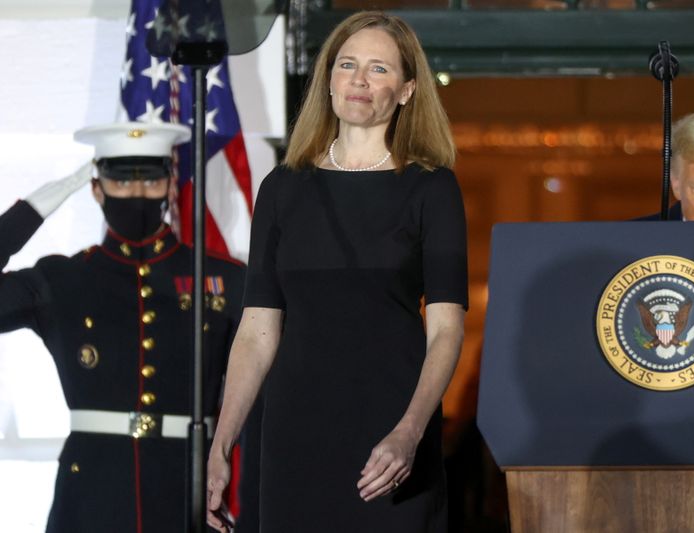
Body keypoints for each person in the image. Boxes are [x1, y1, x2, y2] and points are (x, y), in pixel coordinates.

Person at [206, 10, 468, 533]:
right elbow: (257, 331)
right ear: (328, 80)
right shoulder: (282, 189)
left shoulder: (431, 189)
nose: (359, 80)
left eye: (379, 69)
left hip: (390, 440)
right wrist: (221, 444)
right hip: (292, 436)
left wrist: (411, 431)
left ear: (408, 89)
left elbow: (446, 330)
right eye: (347, 64)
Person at [0, 122, 245, 532]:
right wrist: (34, 209)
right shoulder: (62, 280)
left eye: (150, 180)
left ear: (170, 185)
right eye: (119, 180)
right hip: (92, 490)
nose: (136, 193)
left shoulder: (222, 278)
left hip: (187, 486)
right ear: (97, 189)